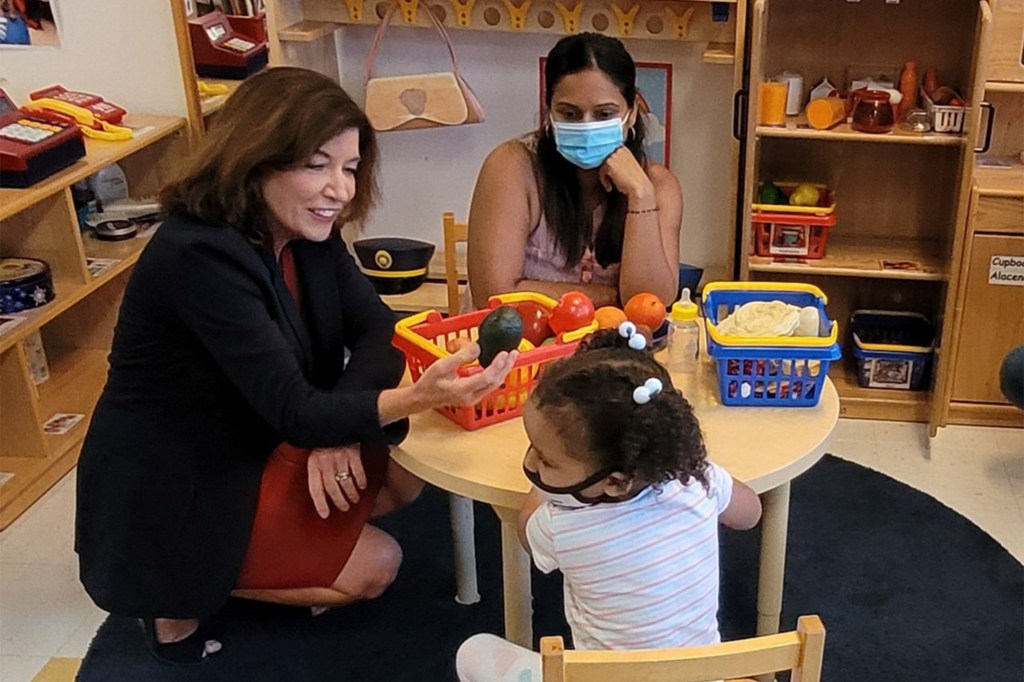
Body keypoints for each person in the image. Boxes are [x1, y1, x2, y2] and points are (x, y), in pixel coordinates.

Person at [74, 67, 517, 665]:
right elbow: (295, 408)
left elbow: (378, 329)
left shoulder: (307, 235)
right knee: (378, 566)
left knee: (403, 473)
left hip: (260, 437)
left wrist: (332, 430)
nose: (340, 188)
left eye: (350, 167)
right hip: (180, 482)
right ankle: (177, 588)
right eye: (317, 165)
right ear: (255, 159)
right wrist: (409, 399)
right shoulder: (197, 253)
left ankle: (246, 556)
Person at [455, 324, 762, 681]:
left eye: (544, 458)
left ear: (615, 482)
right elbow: (750, 513)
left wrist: (545, 491)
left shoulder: (561, 527)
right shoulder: (698, 480)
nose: (532, 464)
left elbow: (525, 531)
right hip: (704, 677)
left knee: (473, 651)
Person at [466, 33, 682, 310]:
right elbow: (495, 296)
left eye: (604, 114)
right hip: (517, 350)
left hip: (611, 351)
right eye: (569, 114)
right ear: (549, 112)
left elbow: (650, 303)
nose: (586, 126)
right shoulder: (511, 166)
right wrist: (609, 297)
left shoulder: (658, 185)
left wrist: (640, 194)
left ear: (632, 111)